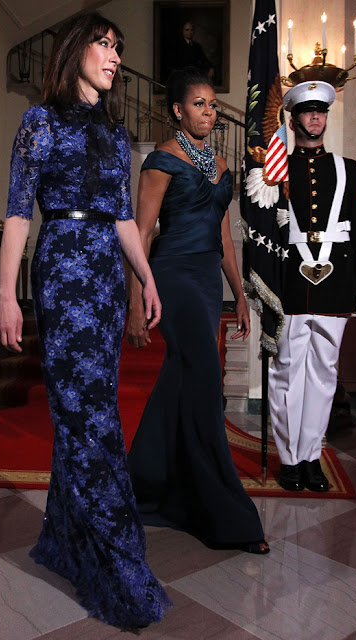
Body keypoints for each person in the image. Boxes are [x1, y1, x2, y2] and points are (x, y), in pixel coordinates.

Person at [0, 11, 171, 630]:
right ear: (75, 50)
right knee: (87, 417)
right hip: (62, 272)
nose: (116, 56)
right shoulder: (39, 122)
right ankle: (117, 564)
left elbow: (123, 218)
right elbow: (19, 211)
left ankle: (66, 542)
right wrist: (7, 295)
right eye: (105, 44)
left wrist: (145, 277)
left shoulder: (116, 135)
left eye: (119, 47)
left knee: (90, 412)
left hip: (104, 278)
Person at [126, 67, 269, 554]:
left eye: (212, 105)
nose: (209, 112)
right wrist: (135, 302)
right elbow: (142, 234)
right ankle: (227, 515)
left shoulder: (222, 167)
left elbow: (224, 237)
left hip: (208, 282)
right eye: (198, 104)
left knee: (181, 379)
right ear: (177, 110)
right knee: (206, 381)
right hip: (173, 276)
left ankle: (147, 483)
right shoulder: (162, 160)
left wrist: (239, 295)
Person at [269, 80, 356, 492]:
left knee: (324, 374)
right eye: (307, 111)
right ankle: (289, 459)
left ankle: (311, 456)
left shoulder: (349, 168)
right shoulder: (277, 169)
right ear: (293, 120)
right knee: (286, 372)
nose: (315, 117)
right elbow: (266, 231)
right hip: (291, 283)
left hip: (335, 283)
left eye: (321, 111)